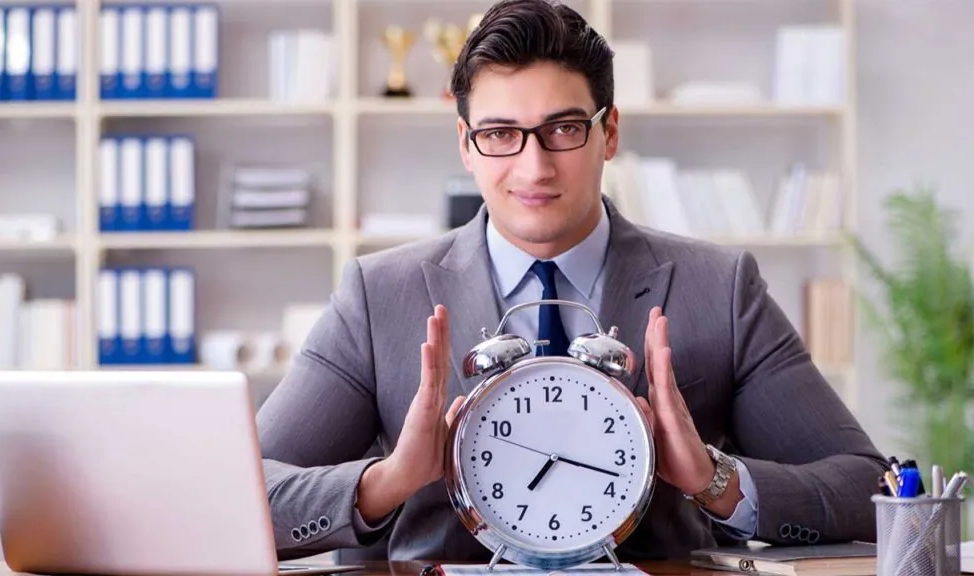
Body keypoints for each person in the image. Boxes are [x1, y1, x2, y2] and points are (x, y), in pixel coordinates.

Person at [256, 0, 888, 562]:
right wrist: (387, 481)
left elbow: (871, 489)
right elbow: (242, 488)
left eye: (563, 129)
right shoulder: (377, 295)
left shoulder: (719, 288)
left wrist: (713, 480)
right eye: (501, 134)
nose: (534, 168)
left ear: (609, 132)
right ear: (466, 144)